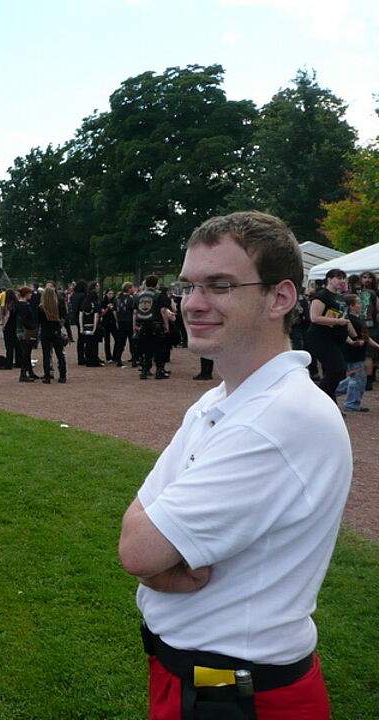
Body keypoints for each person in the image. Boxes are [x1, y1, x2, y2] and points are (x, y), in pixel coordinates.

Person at [118, 211, 351, 720]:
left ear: (280, 298)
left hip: (238, 694)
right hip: (198, 678)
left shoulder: (279, 418)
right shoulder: (222, 400)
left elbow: (138, 549)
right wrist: (157, 569)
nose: (193, 303)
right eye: (188, 286)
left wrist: (155, 565)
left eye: (220, 286)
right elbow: (141, 533)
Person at [306, 268, 351, 406]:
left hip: (337, 338)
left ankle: (329, 405)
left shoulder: (339, 297)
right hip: (322, 338)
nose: (341, 281)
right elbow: (314, 317)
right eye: (338, 278)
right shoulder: (322, 296)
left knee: (334, 372)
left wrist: (353, 337)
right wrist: (337, 321)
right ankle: (317, 400)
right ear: (329, 279)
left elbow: (345, 319)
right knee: (337, 370)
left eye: (343, 278)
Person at [335, 293, 379, 412]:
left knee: (356, 377)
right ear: (351, 306)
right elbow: (343, 334)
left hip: (359, 352)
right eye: (358, 303)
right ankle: (352, 403)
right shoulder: (348, 319)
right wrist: (352, 342)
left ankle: (331, 391)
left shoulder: (358, 319)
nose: (361, 305)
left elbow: (365, 337)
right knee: (357, 378)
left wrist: (377, 345)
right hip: (353, 353)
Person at [133, 276, 170, 380]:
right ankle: (159, 371)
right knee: (159, 348)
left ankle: (144, 371)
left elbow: (135, 313)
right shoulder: (159, 295)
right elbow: (163, 311)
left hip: (143, 325)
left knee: (146, 349)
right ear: (156, 284)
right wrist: (166, 324)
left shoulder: (138, 295)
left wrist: (134, 326)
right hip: (156, 324)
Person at [38, 286, 67, 383]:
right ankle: (62, 375)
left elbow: (38, 321)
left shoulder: (41, 308)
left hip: (45, 332)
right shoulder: (57, 306)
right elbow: (63, 317)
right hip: (56, 331)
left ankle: (47, 376)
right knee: (60, 353)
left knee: (46, 355)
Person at [14, 286, 39, 382]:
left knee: (26, 352)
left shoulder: (18, 304)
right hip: (26, 330)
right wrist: (32, 327)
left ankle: (29, 372)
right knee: (26, 352)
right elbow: (25, 319)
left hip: (20, 330)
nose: (31, 295)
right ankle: (23, 373)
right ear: (26, 294)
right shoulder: (24, 305)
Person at [113, 282, 136, 367]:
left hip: (120, 321)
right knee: (132, 341)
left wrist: (117, 320)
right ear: (129, 289)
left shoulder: (117, 298)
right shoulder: (131, 299)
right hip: (129, 321)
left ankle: (118, 359)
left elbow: (115, 311)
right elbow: (134, 312)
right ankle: (134, 360)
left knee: (120, 342)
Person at [80, 289, 103, 367]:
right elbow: (96, 317)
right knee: (94, 345)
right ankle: (94, 361)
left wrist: (81, 327)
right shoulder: (96, 304)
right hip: (93, 326)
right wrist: (94, 328)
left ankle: (88, 360)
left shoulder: (84, 304)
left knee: (87, 344)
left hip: (85, 326)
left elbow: (80, 316)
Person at [1, 289, 19, 370]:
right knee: (17, 345)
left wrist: (3, 326)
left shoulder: (8, 305)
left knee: (9, 346)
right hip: (16, 326)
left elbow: (7, 316)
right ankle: (19, 362)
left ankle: (9, 363)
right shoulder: (17, 304)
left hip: (9, 327)